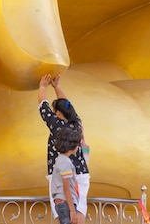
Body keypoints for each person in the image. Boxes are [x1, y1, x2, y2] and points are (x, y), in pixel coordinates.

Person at [38, 73, 90, 224]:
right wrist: (57, 87)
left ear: (58, 113)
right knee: (78, 213)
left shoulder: (57, 125)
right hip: (81, 174)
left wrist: (42, 87)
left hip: (61, 175)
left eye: (56, 112)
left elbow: (43, 107)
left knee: (61, 215)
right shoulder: (77, 123)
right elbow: (68, 106)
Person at [51, 127, 83, 224]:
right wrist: (72, 211)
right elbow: (66, 188)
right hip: (65, 204)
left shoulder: (60, 159)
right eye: (77, 144)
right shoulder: (65, 162)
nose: (78, 147)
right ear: (72, 145)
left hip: (62, 202)